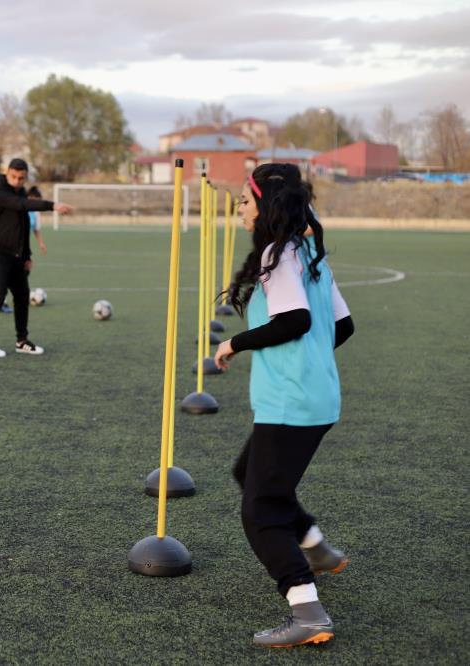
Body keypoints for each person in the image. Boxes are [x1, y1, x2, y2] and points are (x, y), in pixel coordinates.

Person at [214, 163, 355, 648]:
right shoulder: (310, 251)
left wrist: (235, 344)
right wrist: (310, 362)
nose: (239, 208)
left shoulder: (280, 253)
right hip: (314, 397)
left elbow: (293, 320)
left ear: (266, 208)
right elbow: (343, 325)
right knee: (249, 471)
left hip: (291, 402)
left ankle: (308, 611)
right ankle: (316, 548)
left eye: (245, 201)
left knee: (261, 511)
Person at [0, 158, 72, 357]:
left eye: (22, 178)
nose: (18, 181)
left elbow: (24, 226)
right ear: (7, 172)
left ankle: (22, 340)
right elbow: (20, 205)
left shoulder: (18, 191)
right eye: (14, 177)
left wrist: (27, 255)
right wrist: (52, 205)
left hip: (17, 255)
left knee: (22, 296)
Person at [26, 186, 48, 255]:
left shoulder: (36, 213)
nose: (37, 204)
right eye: (36, 201)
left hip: (23, 245)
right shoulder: (20, 208)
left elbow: (36, 229)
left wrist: (41, 243)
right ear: (30, 197)